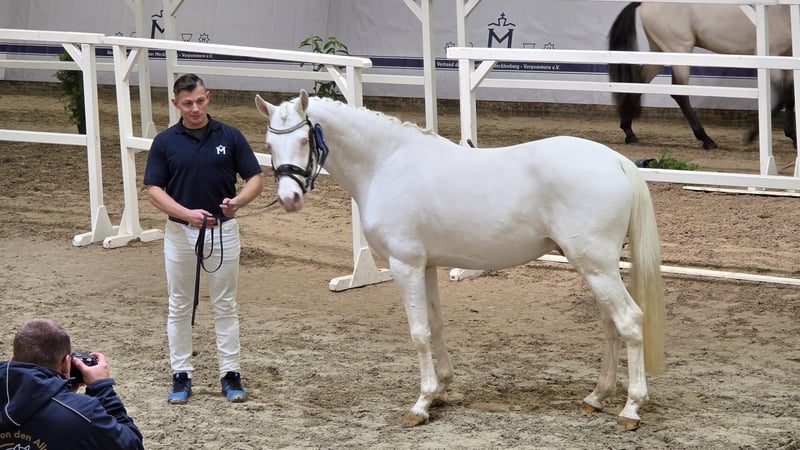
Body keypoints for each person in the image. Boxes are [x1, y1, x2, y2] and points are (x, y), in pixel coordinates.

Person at [143, 73, 264, 405]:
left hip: (223, 231)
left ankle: (230, 373)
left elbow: (255, 178)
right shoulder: (165, 142)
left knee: (225, 304)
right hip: (179, 233)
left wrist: (238, 201)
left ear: (207, 97)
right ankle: (181, 373)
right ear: (176, 104)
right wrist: (186, 214)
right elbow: (154, 190)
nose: (195, 109)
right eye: (187, 103)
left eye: (199, 101)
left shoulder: (230, 135)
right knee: (179, 304)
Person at [0, 318, 144, 449]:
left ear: (12, 359)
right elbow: (132, 445)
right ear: (66, 364)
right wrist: (102, 388)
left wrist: (59, 394)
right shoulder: (83, 413)